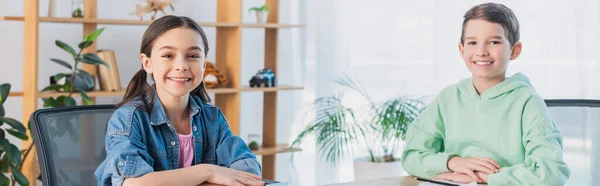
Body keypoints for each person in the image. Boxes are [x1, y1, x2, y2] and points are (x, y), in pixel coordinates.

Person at [401, 3, 570, 185]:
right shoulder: (448, 99)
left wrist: (483, 177)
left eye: (494, 42)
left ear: (514, 50)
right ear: (462, 49)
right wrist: (453, 163)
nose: (481, 52)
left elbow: (550, 171)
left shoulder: (527, 102)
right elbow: (411, 156)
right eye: (472, 42)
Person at [95, 15, 264, 186]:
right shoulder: (128, 119)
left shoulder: (213, 118)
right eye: (168, 55)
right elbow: (134, 183)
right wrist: (208, 172)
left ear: (204, 64)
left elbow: (248, 170)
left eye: (192, 55)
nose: (181, 66)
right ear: (147, 63)